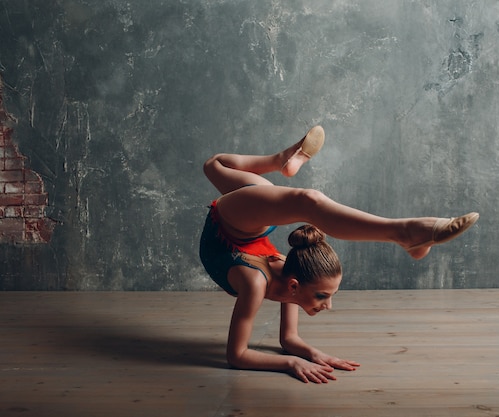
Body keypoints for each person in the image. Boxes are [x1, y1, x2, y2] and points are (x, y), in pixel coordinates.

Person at [200, 125, 479, 383]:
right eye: (323, 295)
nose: (328, 305)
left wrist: (314, 354)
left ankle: (283, 162)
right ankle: (404, 233)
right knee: (305, 200)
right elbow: (236, 356)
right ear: (296, 285)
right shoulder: (268, 283)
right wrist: (290, 365)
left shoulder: (277, 280)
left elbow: (289, 339)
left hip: (238, 227)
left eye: (327, 296)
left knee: (215, 166)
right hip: (232, 226)